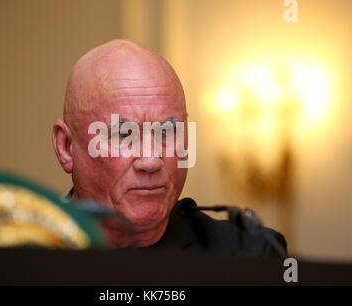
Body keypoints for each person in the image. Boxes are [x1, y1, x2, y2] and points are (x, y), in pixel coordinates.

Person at [52, 39, 287, 256]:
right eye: (124, 134)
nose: (151, 160)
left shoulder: (250, 254)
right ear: (66, 147)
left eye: (167, 132)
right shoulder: (26, 259)